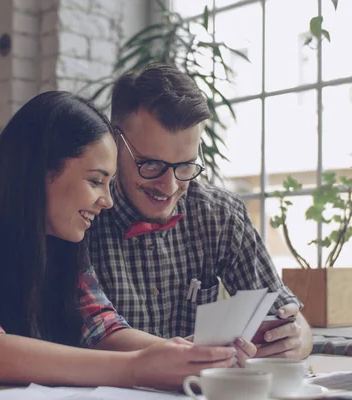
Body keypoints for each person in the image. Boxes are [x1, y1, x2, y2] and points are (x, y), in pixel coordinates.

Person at [0, 92, 247, 391]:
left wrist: (190, 354)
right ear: (40, 171)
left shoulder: (58, 241)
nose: (108, 200)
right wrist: (137, 368)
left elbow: (103, 329)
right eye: (96, 181)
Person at [87, 63, 313, 359]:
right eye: (150, 165)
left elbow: (289, 318)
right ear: (115, 141)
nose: (168, 186)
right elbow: (87, 335)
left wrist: (296, 339)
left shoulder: (220, 215)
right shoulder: (82, 217)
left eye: (185, 166)